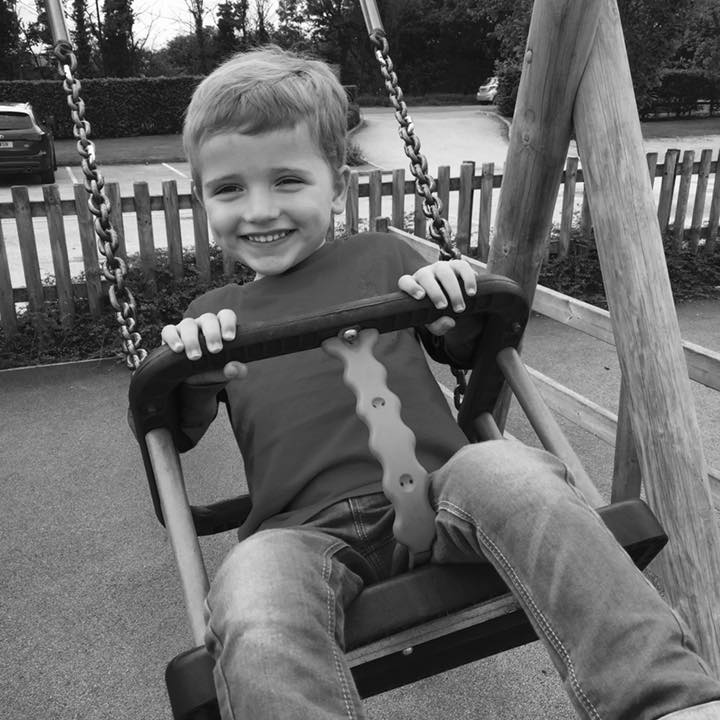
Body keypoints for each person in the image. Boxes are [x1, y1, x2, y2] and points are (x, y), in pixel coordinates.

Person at [160, 45, 720, 720]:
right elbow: (178, 430)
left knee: (515, 475)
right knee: (251, 593)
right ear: (202, 199)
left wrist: (451, 293)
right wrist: (190, 365)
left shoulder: (384, 256)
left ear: (336, 185)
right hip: (297, 533)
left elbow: (466, 346)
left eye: (287, 181)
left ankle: (663, 699)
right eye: (229, 189)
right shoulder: (213, 315)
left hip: (446, 488)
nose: (258, 209)